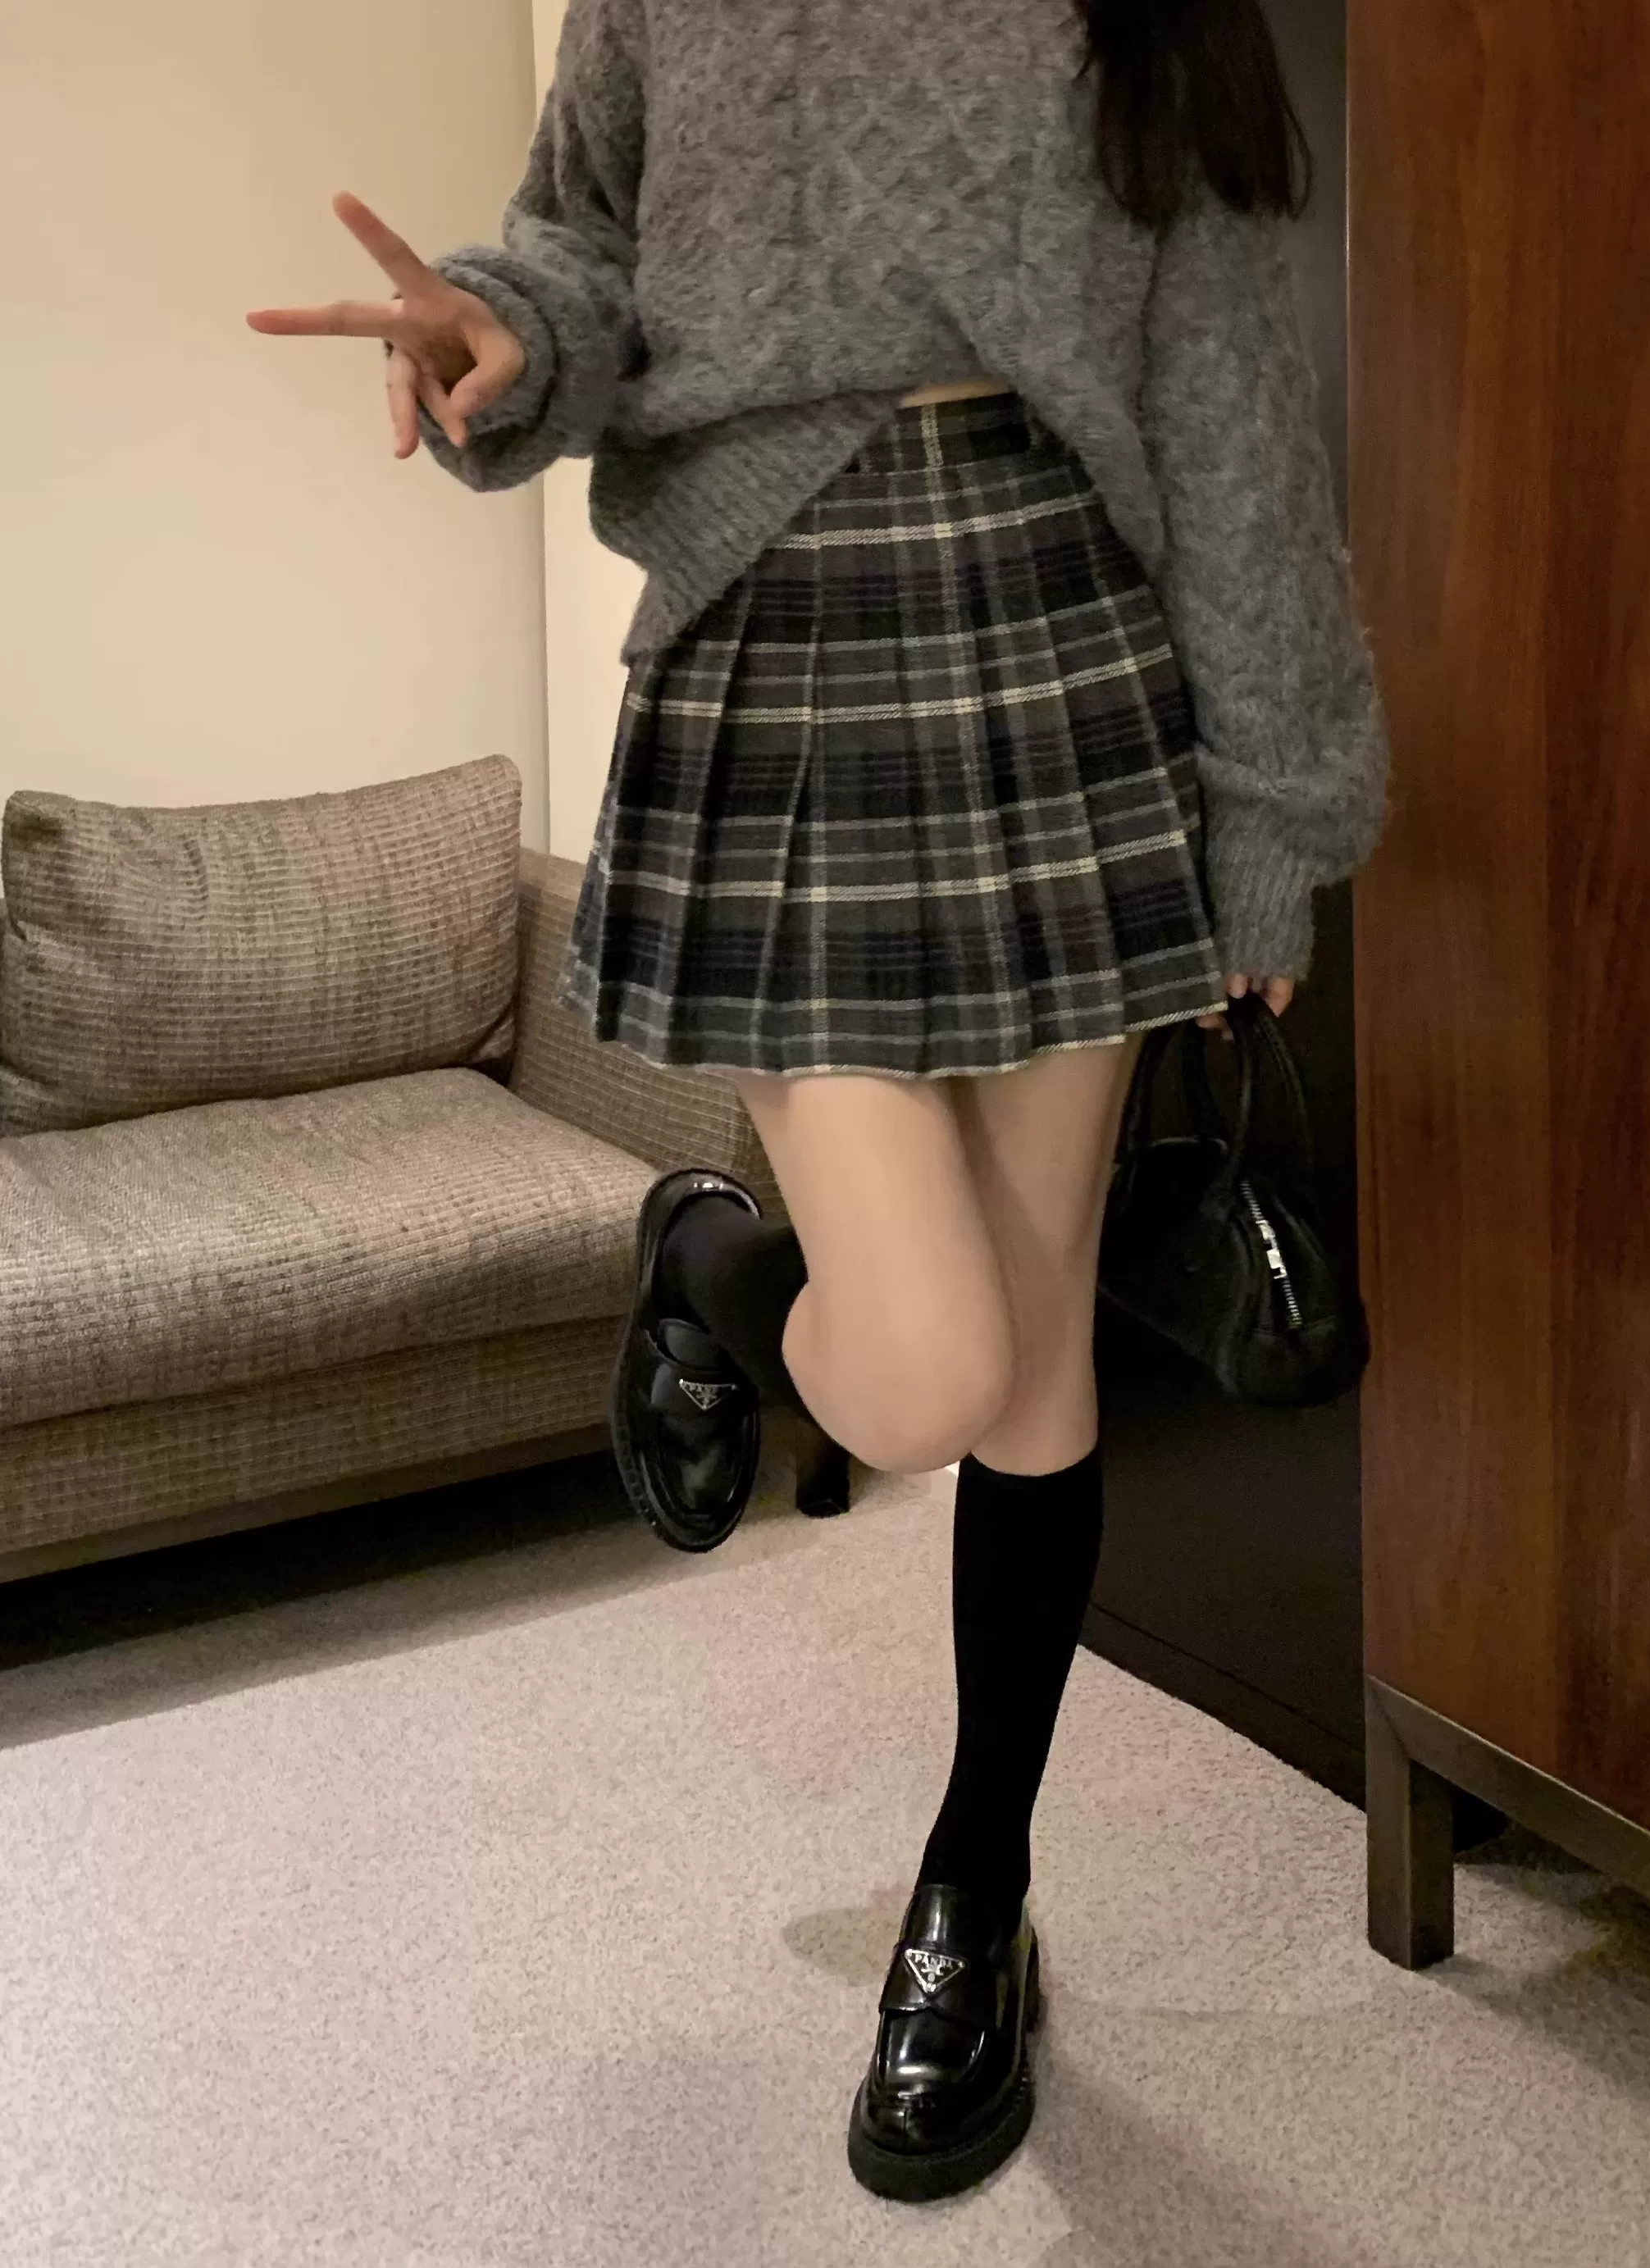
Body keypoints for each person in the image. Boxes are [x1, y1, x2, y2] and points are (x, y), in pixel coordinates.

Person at [250, 0, 1388, 2204]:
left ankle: (976, 1895)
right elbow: (582, 249)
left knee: (1037, 1378)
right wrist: (498, 333)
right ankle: (711, 1259)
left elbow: (1235, 404)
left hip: (1075, 647)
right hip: (778, 638)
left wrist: (1276, 815)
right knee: (930, 1364)